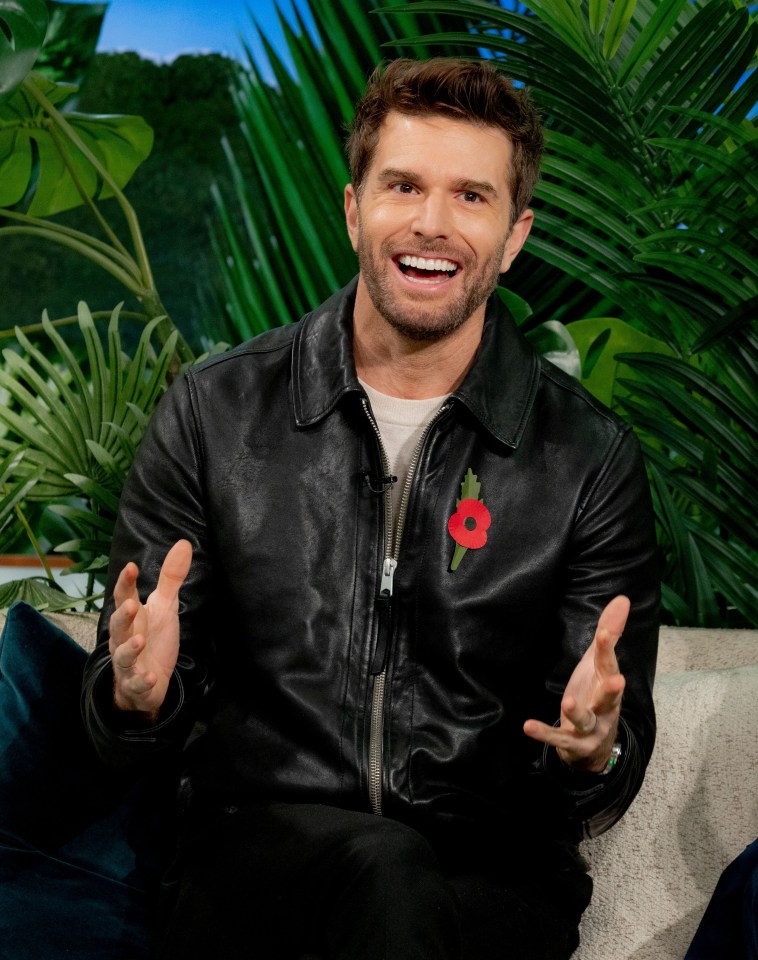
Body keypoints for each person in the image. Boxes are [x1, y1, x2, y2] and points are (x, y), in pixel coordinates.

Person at [82, 57, 659, 960]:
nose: (433, 223)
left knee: (401, 890)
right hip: (255, 866)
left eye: (473, 196)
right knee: (383, 873)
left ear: (515, 236)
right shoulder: (213, 414)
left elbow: (606, 771)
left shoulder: (589, 461)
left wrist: (594, 750)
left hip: (490, 881)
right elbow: (123, 735)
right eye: (403, 186)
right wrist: (134, 696)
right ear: (355, 209)